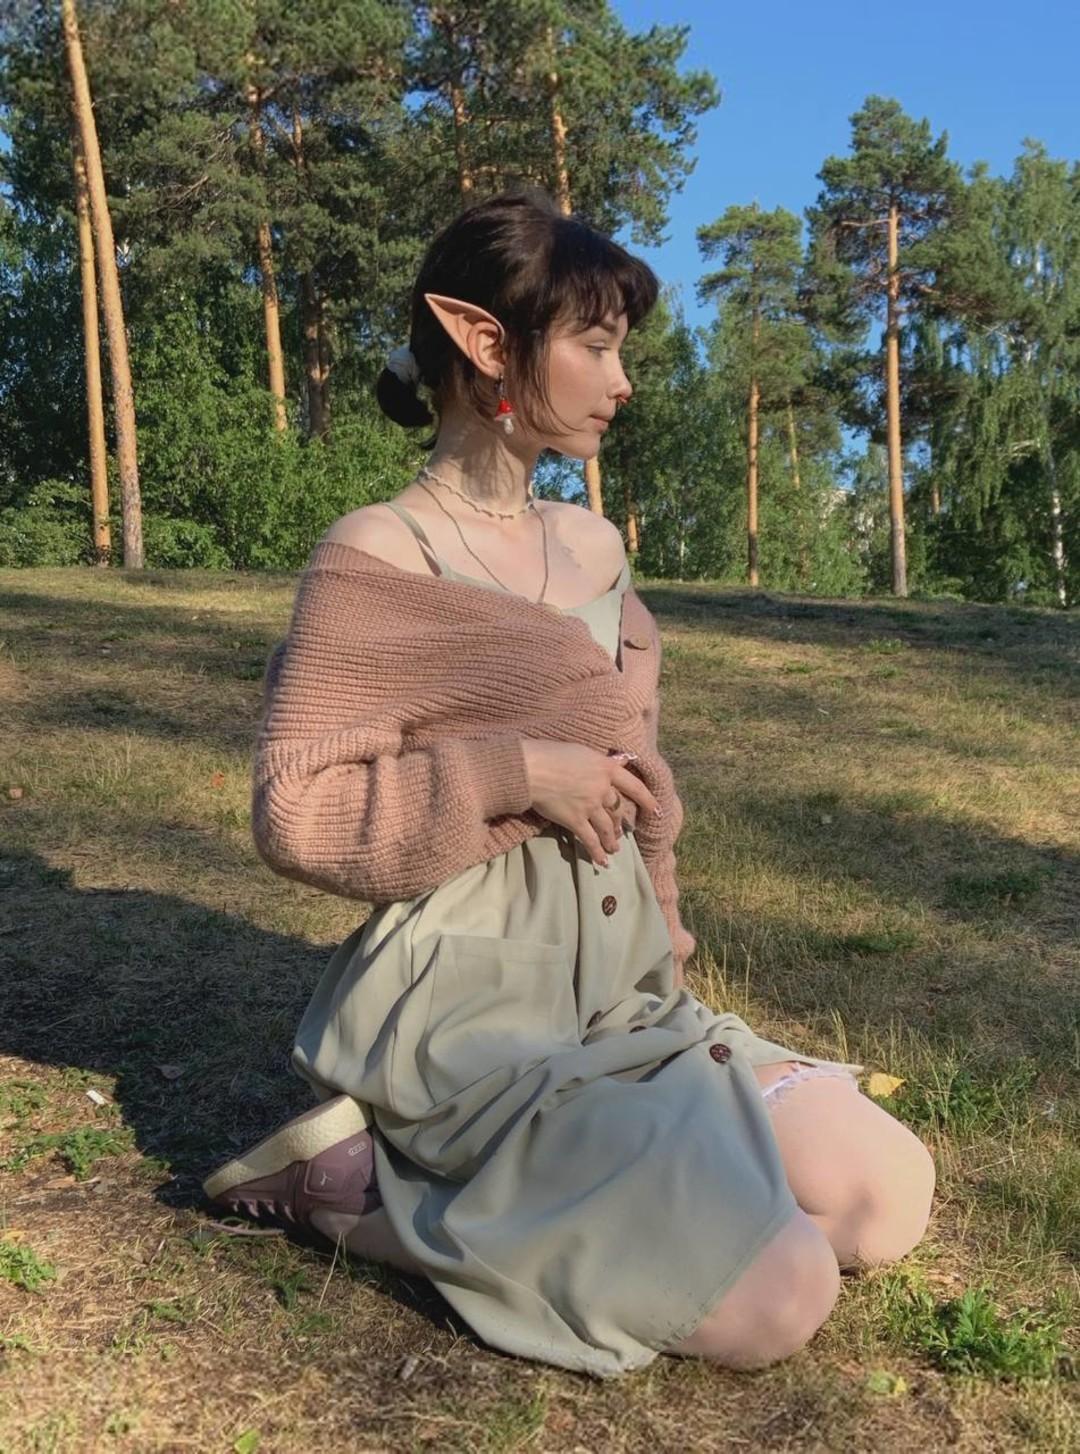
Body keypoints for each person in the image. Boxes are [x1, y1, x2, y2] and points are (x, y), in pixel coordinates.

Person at [202, 191, 934, 1378]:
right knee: (779, 1296)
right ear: (486, 341)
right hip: (476, 1009)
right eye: (595, 345)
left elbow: (636, 769)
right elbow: (297, 808)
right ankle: (347, 1190)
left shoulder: (594, 546)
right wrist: (513, 771)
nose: (622, 380)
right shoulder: (379, 554)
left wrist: (666, 911)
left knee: (884, 1195)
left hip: (624, 992)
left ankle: (631, 1166)